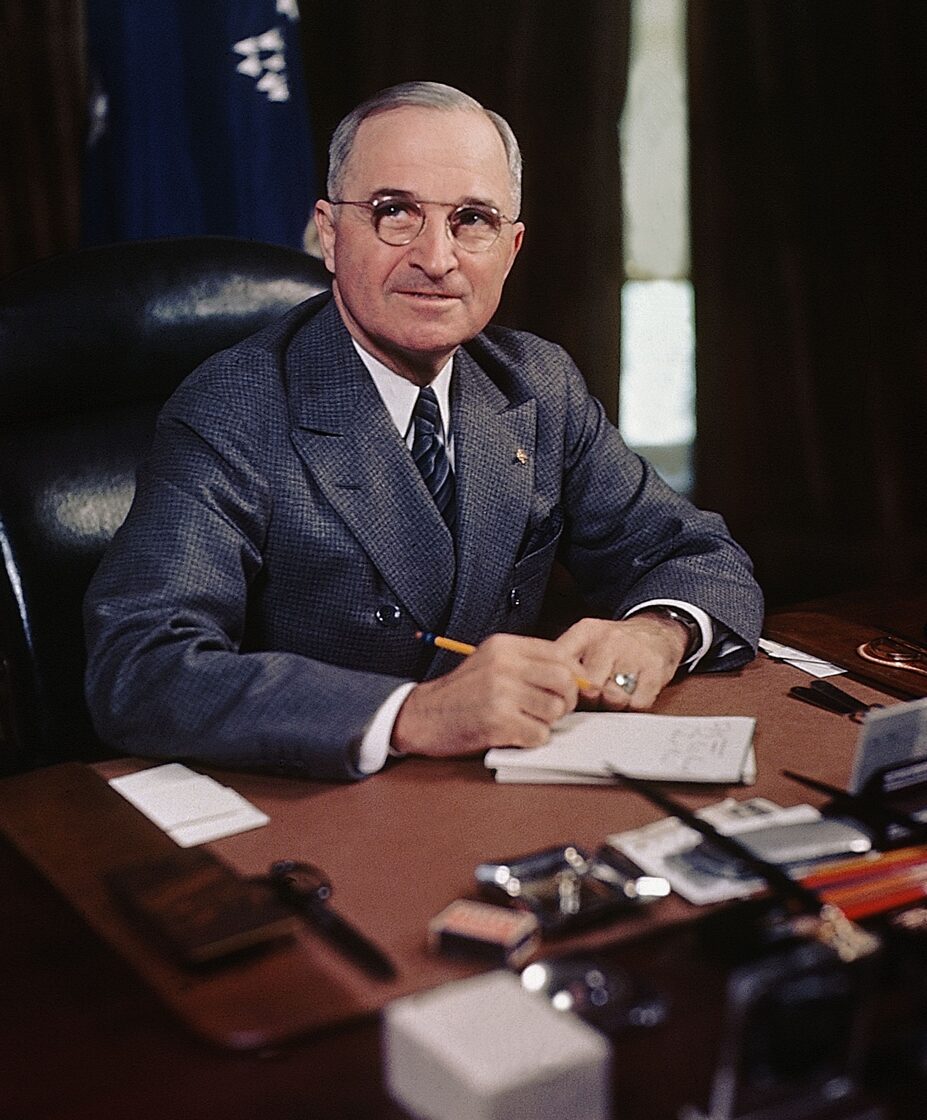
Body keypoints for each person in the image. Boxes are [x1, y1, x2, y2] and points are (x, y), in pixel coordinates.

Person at [83, 81, 764, 781]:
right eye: (395, 213)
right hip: (316, 804)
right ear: (327, 231)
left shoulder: (535, 382)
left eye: (472, 219)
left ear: (510, 246)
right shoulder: (234, 407)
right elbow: (141, 668)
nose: (436, 259)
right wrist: (414, 714)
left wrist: (658, 632)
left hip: (495, 790)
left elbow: (695, 552)